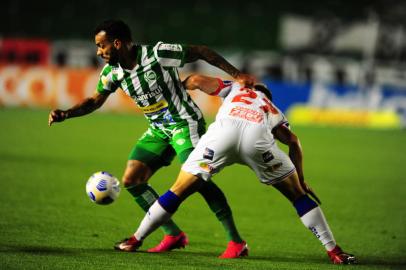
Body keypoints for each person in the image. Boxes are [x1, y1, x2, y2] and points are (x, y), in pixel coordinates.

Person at [48, 20, 255, 258]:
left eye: (101, 45)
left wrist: (237, 75)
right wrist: (66, 113)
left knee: (197, 179)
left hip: (184, 124)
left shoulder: (158, 54)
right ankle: (173, 234)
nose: (98, 51)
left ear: (117, 43)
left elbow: (200, 51)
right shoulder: (112, 73)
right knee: (132, 180)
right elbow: (95, 100)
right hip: (158, 130)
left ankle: (236, 242)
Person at [115, 75, 357, 264]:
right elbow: (293, 141)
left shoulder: (235, 88)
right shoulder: (272, 109)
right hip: (257, 140)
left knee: (177, 191)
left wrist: (180, 87)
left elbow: (197, 81)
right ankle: (335, 251)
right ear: (267, 96)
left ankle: (135, 240)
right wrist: (301, 180)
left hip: (222, 137)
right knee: (298, 198)